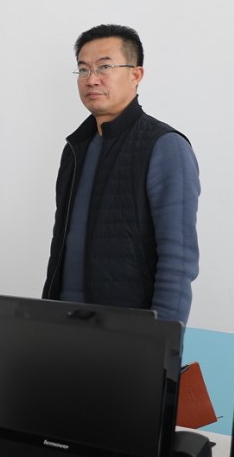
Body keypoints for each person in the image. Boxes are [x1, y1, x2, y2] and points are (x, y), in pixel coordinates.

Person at [43, 24, 200, 324]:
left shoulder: (164, 146)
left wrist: (160, 339)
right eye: (83, 69)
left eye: (105, 66)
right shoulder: (75, 148)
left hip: (128, 333)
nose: (92, 79)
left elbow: (178, 260)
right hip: (62, 327)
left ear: (136, 75)